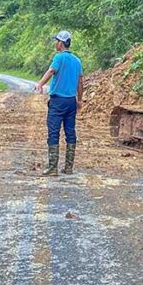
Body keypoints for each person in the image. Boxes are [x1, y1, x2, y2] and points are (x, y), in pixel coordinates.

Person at [34, 30, 84, 176]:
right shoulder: (77, 60)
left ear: (61, 43)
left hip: (57, 102)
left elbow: (51, 71)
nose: (55, 43)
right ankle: (69, 167)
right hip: (71, 101)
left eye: (56, 41)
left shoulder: (59, 58)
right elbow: (80, 82)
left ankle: (53, 168)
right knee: (70, 133)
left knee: (54, 132)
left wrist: (40, 84)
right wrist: (79, 100)